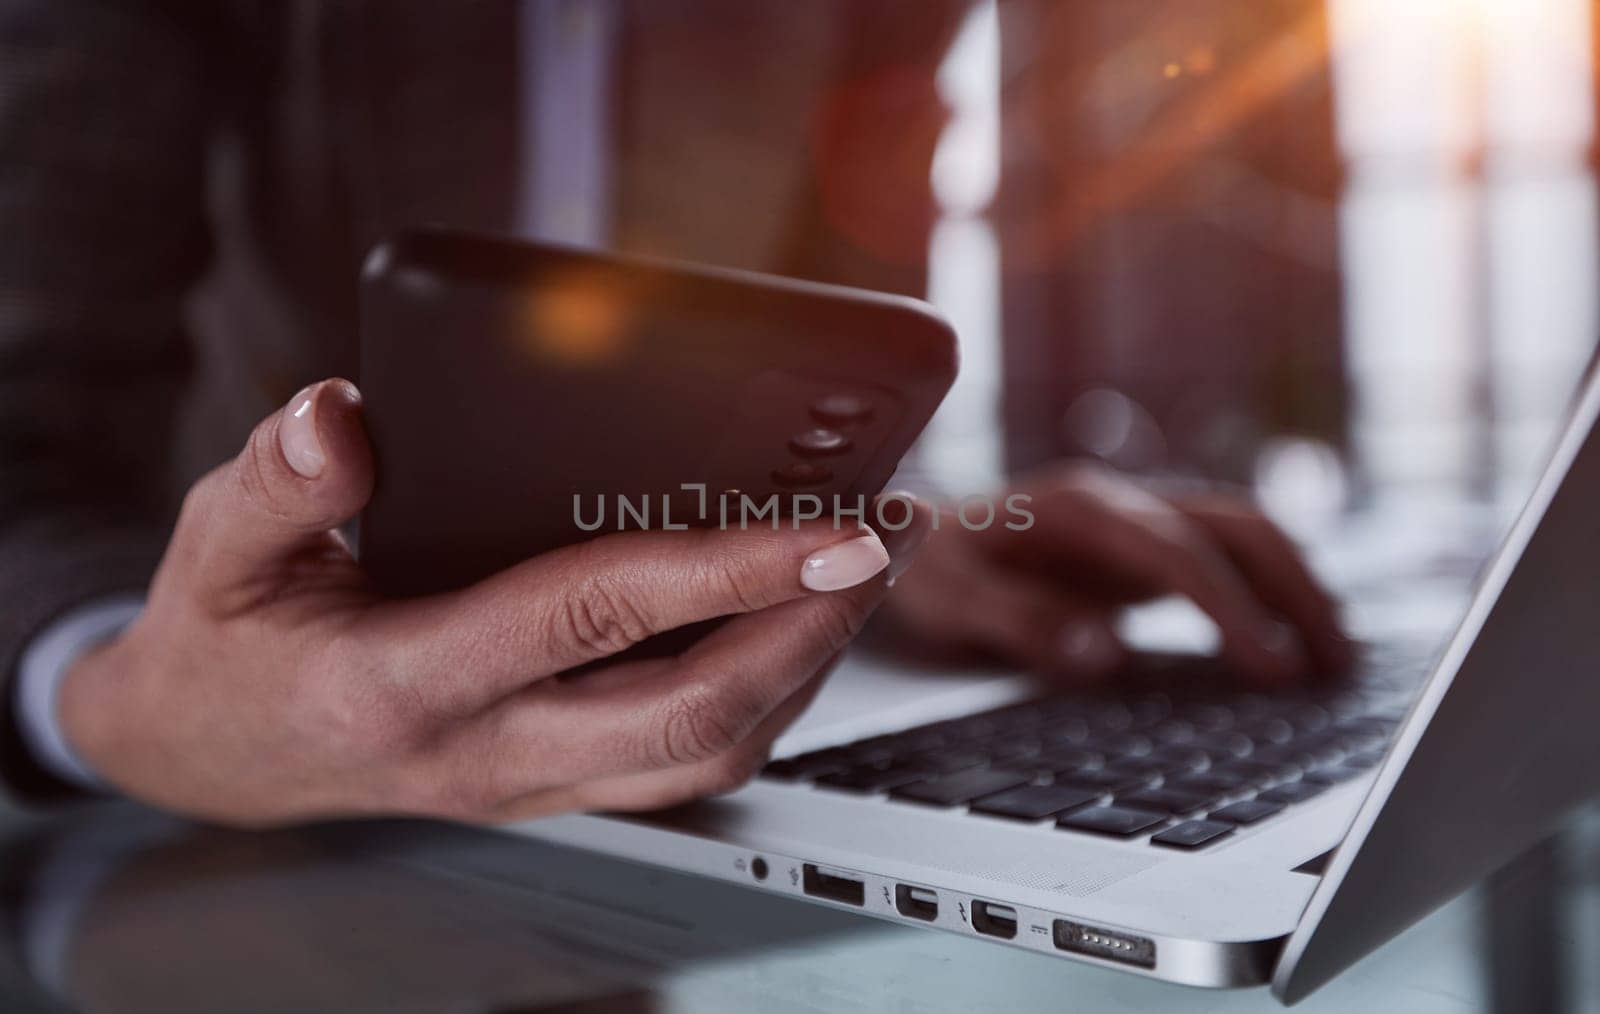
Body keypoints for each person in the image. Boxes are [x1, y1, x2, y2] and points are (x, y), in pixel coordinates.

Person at [0, 1, 1349, 827]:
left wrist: (904, 538)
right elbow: (23, 434)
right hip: (234, 828)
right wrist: (123, 697)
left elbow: (833, 336)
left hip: (689, 826)